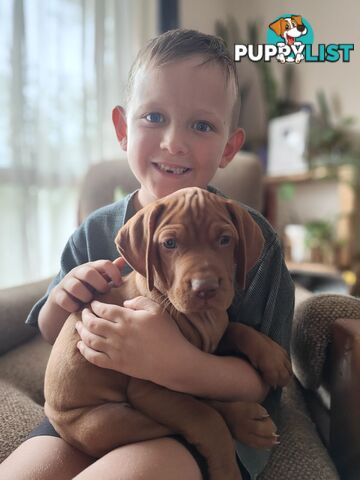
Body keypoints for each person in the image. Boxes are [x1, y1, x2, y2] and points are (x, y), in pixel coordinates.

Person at [0, 28, 294, 480]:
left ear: (230, 147)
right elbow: (49, 331)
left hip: (200, 420)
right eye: (154, 116)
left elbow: (266, 377)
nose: (174, 142)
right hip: (96, 410)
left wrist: (172, 362)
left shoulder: (254, 235)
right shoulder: (96, 230)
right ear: (122, 128)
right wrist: (63, 298)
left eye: (201, 125)